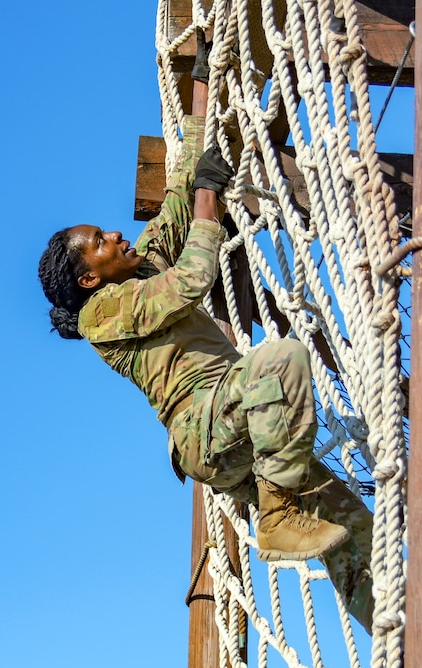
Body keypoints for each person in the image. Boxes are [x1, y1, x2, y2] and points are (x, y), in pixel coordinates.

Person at [36, 71, 375, 631]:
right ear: (90, 278)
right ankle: (278, 515)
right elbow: (193, 278)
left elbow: (175, 194)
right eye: (100, 242)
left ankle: (411, 648)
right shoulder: (102, 315)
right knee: (281, 358)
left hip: (242, 428)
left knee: (352, 528)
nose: (117, 236)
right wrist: (209, 205)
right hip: (204, 426)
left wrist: (202, 84)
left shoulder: (142, 263)